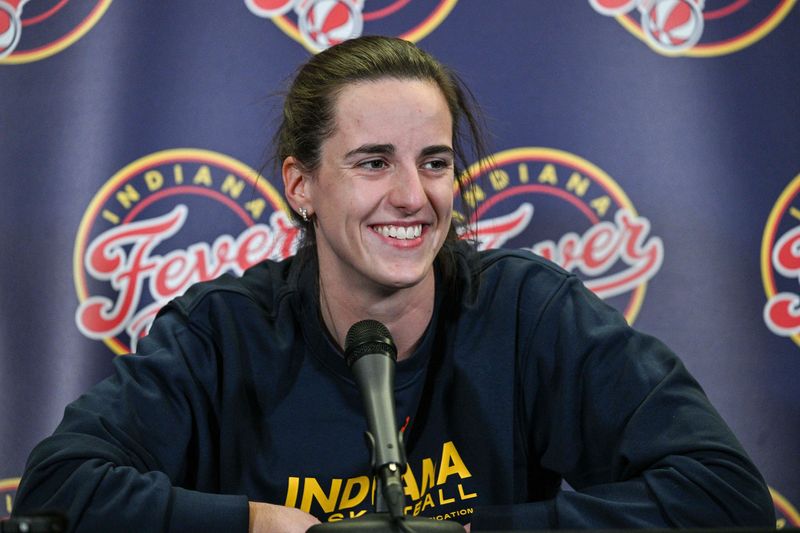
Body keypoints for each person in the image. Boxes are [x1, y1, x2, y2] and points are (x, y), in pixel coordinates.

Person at [13, 36, 775, 532]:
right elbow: (57, 487)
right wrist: (256, 525)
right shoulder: (222, 332)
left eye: (435, 162)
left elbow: (725, 495)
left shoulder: (526, 311)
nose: (413, 195)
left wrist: (489, 530)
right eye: (374, 162)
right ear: (302, 184)